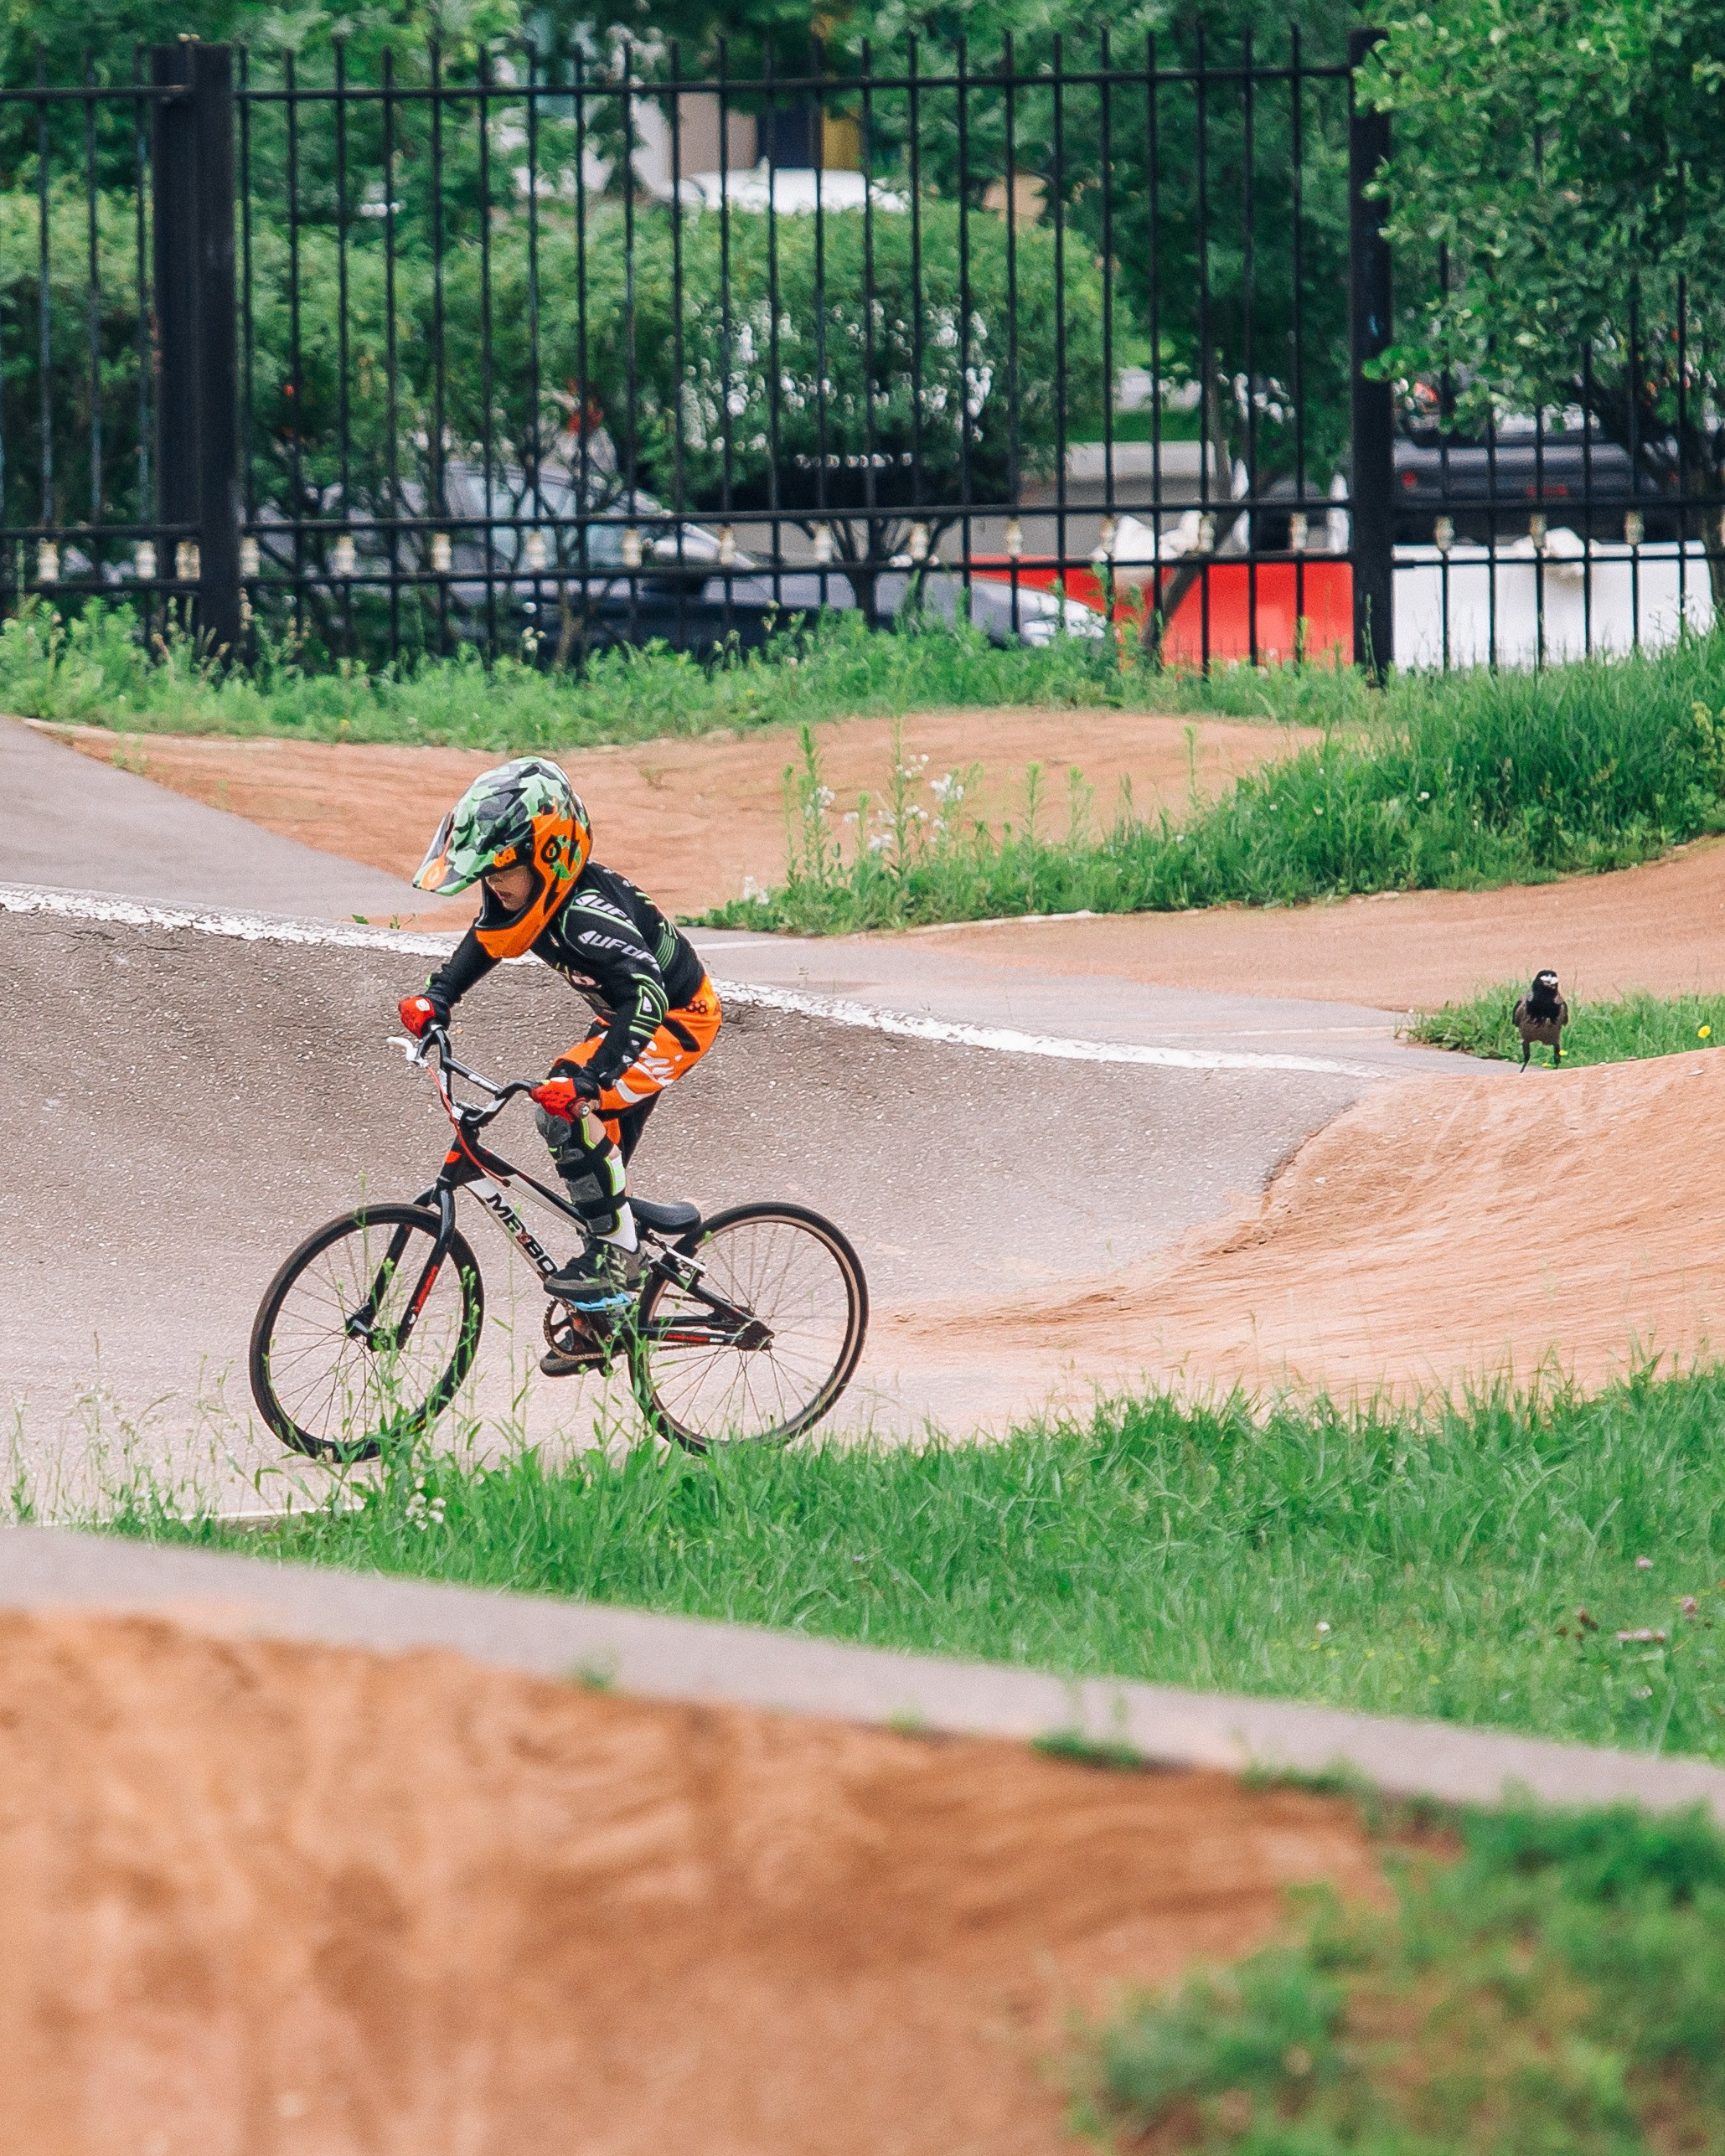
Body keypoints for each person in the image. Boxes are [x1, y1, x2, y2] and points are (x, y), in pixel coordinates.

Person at [396, 756, 721, 1373]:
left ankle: (618, 1258)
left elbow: (647, 995)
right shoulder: (531, 901)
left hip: (676, 1018)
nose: (493, 887)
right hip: (625, 1016)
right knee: (590, 1171)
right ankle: (607, 1304)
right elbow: (486, 940)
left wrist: (593, 1081)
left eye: (502, 873)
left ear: (549, 859)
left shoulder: (585, 916)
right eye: (485, 876)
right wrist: (437, 997)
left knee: (563, 1111)